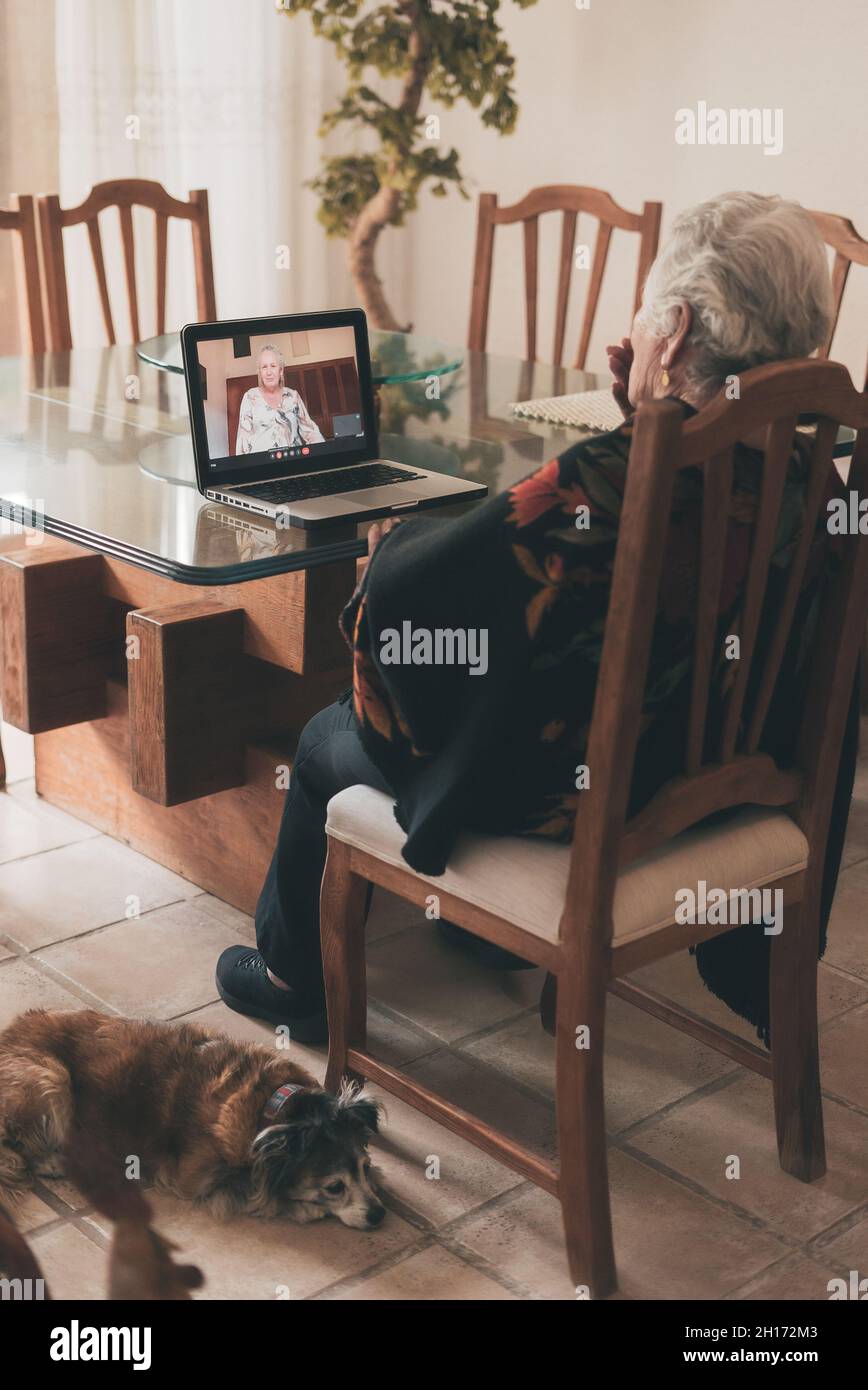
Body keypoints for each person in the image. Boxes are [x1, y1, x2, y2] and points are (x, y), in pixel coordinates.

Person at [216, 191, 852, 1045]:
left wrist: (387, 546)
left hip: (581, 804)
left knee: (329, 736)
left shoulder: (604, 480)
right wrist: (644, 412)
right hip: (705, 779)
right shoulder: (812, 477)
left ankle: (294, 979)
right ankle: (475, 929)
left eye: (647, 306)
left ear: (679, 328)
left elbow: (410, 607)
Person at [235, 344, 324, 454]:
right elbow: (242, 442)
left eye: (273, 366)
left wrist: (322, 457)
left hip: (293, 462)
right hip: (261, 467)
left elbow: (311, 432)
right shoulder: (250, 397)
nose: (268, 372)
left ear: (280, 370)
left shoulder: (293, 396)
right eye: (264, 367)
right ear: (260, 373)